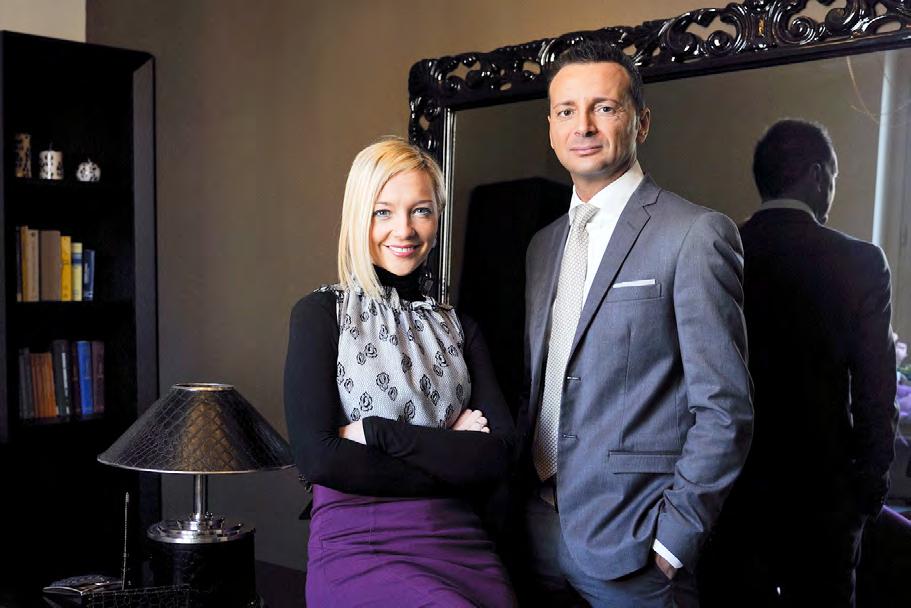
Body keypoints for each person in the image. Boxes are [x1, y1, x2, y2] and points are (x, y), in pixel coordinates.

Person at [514, 40, 753, 607]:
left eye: (605, 107)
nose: (583, 126)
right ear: (551, 128)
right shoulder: (542, 246)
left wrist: (674, 538)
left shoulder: (694, 234)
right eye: (567, 111)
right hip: (532, 529)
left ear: (641, 122)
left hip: (635, 542)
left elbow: (725, 408)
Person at [283, 137, 517, 607]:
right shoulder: (321, 314)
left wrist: (378, 433)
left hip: (462, 542)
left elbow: (497, 456)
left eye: (421, 211)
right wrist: (450, 449)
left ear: (437, 218)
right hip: (360, 542)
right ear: (359, 217)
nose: (404, 229)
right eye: (383, 212)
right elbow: (319, 460)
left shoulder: (460, 326)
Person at [698, 119, 898, 607]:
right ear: (817, 175)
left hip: (732, 489)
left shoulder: (719, 253)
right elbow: (875, 390)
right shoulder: (861, 262)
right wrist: (869, 490)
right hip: (823, 493)